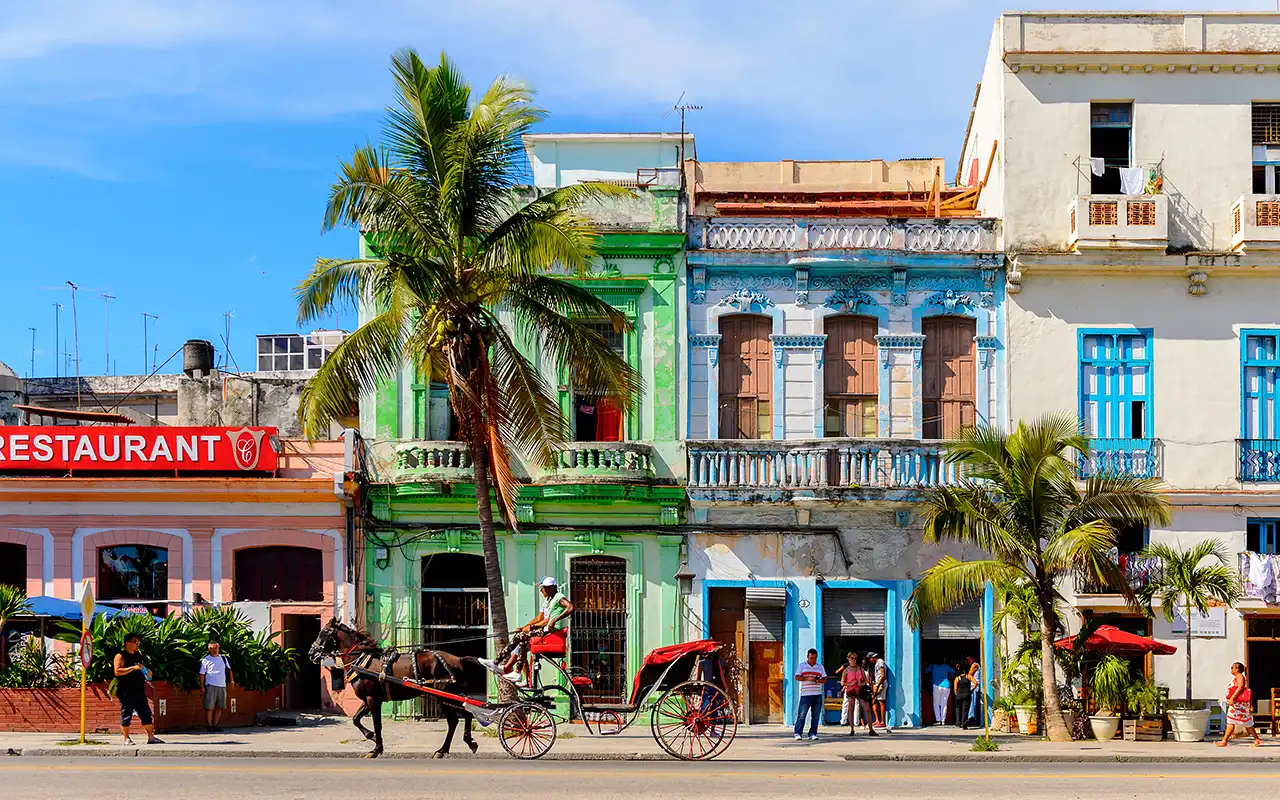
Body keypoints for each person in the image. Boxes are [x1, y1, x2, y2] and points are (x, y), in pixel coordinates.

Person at [480, 576, 574, 687]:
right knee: (521, 640)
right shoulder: (548, 601)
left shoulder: (559, 597)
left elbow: (570, 607)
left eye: (542, 588)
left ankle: (498, 663)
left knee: (521, 637)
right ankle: (517, 672)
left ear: (550, 588)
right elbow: (540, 618)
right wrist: (525, 627)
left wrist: (555, 619)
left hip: (551, 631)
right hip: (545, 629)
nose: (541, 591)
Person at [113, 633, 162, 746]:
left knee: (145, 713)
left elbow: (140, 667)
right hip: (126, 691)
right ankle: (126, 738)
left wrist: (146, 671)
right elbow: (117, 671)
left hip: (139, 689)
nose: (137, 644)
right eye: (135, 642)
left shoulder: (137, 655)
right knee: (126, 713)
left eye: (138, 642)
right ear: (128, 643)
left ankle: (151, 737)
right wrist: (132, 668)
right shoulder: (120, 655)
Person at [1217, 662, 1263, 747]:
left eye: (1232, 667)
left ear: (1237, 669)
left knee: (1232, 722)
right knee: (1245, 722)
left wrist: (1232, 698)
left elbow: (1241, 687)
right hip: (1237, 705)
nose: (1231, 669)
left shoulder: (1240, 676)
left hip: (1237, 704)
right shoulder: (1238, 677)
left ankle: (1224, 741)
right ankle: (1257, 739)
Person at [199, 639, 233, 732]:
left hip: (222, 685)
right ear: (209, 649)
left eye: (216, 648)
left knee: (219, 706)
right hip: (211, 685)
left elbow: (229, 670)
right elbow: (202, 674)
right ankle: (209, 725)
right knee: (209, 707)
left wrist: (232, 681)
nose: (215, 650)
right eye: (212, 648)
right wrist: (202, 686)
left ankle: (215, 725)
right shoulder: (206, 660)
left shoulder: (223, 658)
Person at [841, 653, 877, 737]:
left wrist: (861, 683)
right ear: (848, 659)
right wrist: (850, 684)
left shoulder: (860, 669)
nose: (853, 660)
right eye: (852, 658)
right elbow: (842, 682)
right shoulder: (846, 670)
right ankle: (852, 729)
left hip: (860, 690)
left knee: (867, 708)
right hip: (851, 690)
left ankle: (871, 729)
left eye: (855, 658)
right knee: (851, 709)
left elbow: (866, 680)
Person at [793, 648, 826, 741]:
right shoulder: (802, 665)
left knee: (815, 716)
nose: (812, 660)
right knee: (802, 715)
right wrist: (807, 678)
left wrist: (818, 680)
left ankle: (813, 733)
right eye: (811, 658)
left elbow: (825, 679)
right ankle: (798, 733)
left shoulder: (820, 667)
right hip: (806, 694)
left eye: (814, 658)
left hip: (817, 694)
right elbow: (797, 677)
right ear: (807, 657)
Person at [926, 660, 955, 726]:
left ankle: (938, 720)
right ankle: (943, 720)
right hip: (946, 686)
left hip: (937, 685)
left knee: (936, 703)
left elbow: (925, 671)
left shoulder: (933, 666)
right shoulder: (946, 666)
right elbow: (953, 671)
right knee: (944, 704)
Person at [868, 652, 889, 730]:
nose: (870, 661)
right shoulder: (877, 663)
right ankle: (877, 720)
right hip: (877, 683)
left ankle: (883, 722)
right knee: (875, 701)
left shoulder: (880, 662)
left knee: (881, 702)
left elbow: (883, 675)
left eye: (870, 659)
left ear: (872, 657)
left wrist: (878, 685)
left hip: (881, 683)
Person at [953, 664, 974, 730]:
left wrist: (957, 694)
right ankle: (964, 725)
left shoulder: (957, 678)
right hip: (967, 694)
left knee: (958, 708)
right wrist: (971, 690)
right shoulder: (968, 676)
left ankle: (958, 723)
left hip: (959, 695)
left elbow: (955, 688)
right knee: (965, 710)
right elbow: (976, 683)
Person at [966, 656, 983, 727]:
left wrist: (975, 683)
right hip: (975, 686)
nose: (968, 661)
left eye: (969, 659)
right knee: (974, 703)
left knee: (973, 703)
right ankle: (973, 719)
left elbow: (969, 675)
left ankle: (971, 718)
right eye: (967, 660)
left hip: (975, 686)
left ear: (973, 659)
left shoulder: (974, 665)